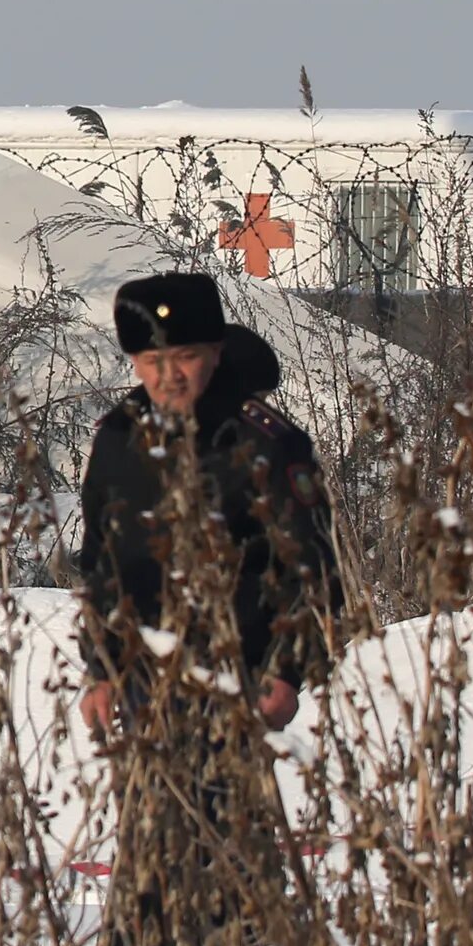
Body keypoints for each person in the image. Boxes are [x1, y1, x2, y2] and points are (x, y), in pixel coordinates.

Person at [75, 270, 342, 740]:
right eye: (153, 360)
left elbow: (312, 567)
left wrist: (286, 671)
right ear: (135, 361)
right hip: (143, 685)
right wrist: (101, 669)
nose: (169, 376)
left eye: (186, 357)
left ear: (215, 354)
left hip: (239, 681)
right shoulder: (118, 438)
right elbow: (102, 565)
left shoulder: (262, 443)